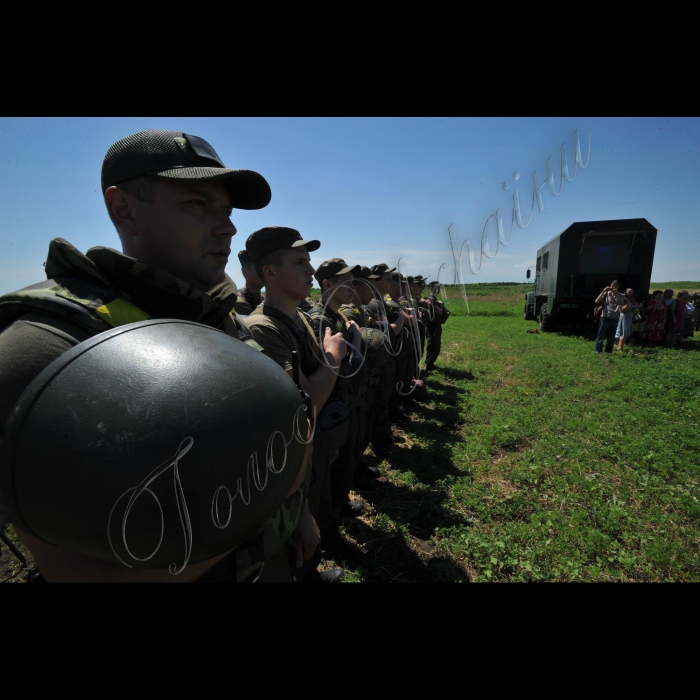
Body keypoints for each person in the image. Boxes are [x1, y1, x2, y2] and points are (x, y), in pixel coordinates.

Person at [0, 129, 310, 582]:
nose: (227, 227)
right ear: (124, 210)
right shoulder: (47, 347)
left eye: (226, 210)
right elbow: (75, 571)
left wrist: (297, 514)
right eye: (197, 204)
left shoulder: (218, 316)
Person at [244, 227, 351, 583]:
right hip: (290, 456)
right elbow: (305, 401)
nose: (310, 270)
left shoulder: (299, 317)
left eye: (309, 260)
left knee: (313, 514)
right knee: (290, 539)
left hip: (312, 446)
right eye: (299, 262)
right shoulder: (263, 328)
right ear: (270, 273)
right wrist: (333, 356)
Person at [594, 281, 625, 354]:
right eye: (612, 286)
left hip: (614, 318)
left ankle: (608, 351)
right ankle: (598, 350)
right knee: (601, 335)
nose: (613, 288)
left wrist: (616, 294)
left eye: (616, 286)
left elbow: (621, 303)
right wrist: (603, 291)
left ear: (618, 287)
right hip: (605, 317)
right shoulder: (606, 294)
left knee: (611, 336)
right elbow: (596, 301)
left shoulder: (621, 295)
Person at [233, 248, 264, 315]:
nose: (264, 272)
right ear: (246, 272)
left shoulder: (263, 298)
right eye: (259, 268)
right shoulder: (240, 302)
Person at [425, 281, 446, 371]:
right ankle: (429, 364)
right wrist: (441, 305)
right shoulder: (431, 299)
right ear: (431, 287)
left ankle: (431, 363)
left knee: (436, 344)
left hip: (436, 325)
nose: (438, 290)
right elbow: (439, 312)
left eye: (439, 288)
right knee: (434, 344)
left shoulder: (433, 299)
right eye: (436, 287)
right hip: (432, 326)